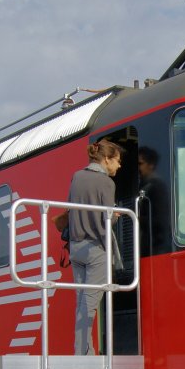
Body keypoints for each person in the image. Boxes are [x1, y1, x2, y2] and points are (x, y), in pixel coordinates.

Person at [67, 138, 123, 355]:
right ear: (106, 159)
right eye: (117, 160)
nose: (119, 165)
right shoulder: (107, 183)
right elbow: (106, 220)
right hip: (95, 249)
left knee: (81, 302)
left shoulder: (77, 176)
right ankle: (83, 354)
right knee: (89, 305)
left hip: (76, 248)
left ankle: (83, 350)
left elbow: (71, 208)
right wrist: (115, 216)